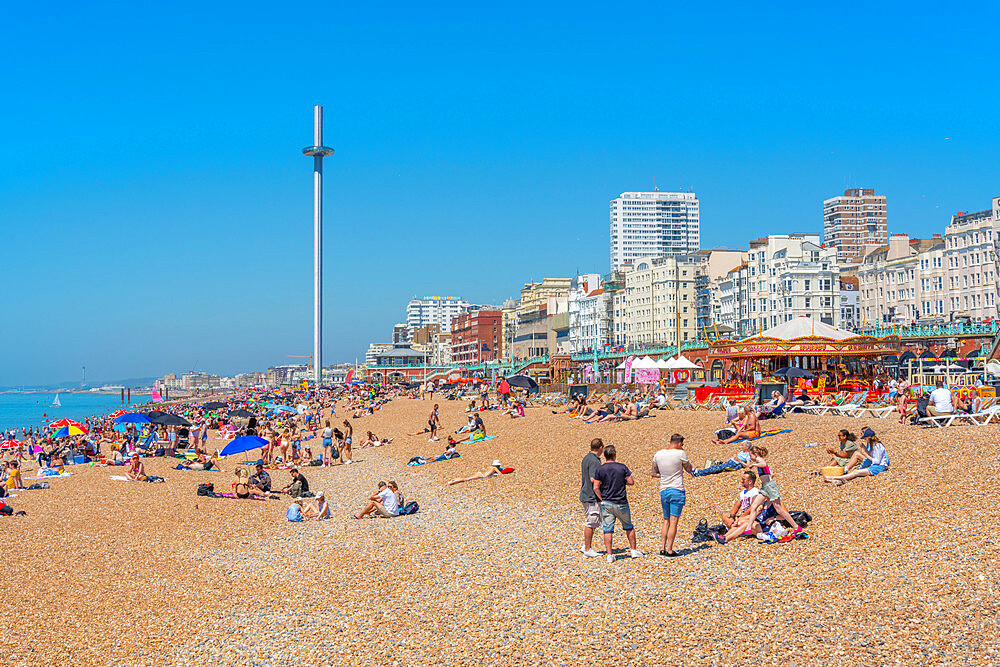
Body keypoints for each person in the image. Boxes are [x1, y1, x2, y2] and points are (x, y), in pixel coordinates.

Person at [717, 445, 800, 544]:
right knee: (754, 506)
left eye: (750, 455)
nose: (750, 457)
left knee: (779, 509)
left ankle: (796, 526)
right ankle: (748, 528)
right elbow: (769, 472)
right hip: (765, 487)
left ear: (755, 454)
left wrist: (756, 466)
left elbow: (764, 463)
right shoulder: (757, 462)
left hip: (769, 487)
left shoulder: (759, 460)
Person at [593, 445, 642, 563]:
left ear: (604, 456)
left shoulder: (600, 469)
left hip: (607, 502)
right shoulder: (622, 467)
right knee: (628, 526)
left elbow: (596, 487)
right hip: (621, 501)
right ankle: (633, 550)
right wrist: (622, 481)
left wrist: (601, 498)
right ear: (614, 455)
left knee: (608, 529)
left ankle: (610, 555)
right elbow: (631, 481)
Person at [651, 433, 694, 557]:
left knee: (666, 520)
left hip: (663, 490)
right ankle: (670, 550)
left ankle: (663, 548)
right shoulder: (680, 453)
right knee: (674, 521)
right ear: (679, 443)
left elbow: (654, 473)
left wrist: (664, 475)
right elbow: (689, 469)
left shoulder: (658, 454)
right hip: (676, 489)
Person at [824, 428, 890, 485]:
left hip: (880, 466)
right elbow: (871, 455)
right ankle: (836, 480)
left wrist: (865, 453)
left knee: (856, 472)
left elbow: (877, 461)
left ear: (868, 438)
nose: (864, 439)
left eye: (865, 438)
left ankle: (833, 477)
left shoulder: (878, 446)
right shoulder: (872, 444)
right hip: (875, 465)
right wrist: (864, 449)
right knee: (856, 472)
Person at [579, 438, 604, 558]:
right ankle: (587, 548)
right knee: (591, 522)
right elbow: (593, 479)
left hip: (586, 493)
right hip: (591, 496)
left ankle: (586, 545)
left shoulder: (586, 458)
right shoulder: (594, 461)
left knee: (592, 522)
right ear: (600, 448)